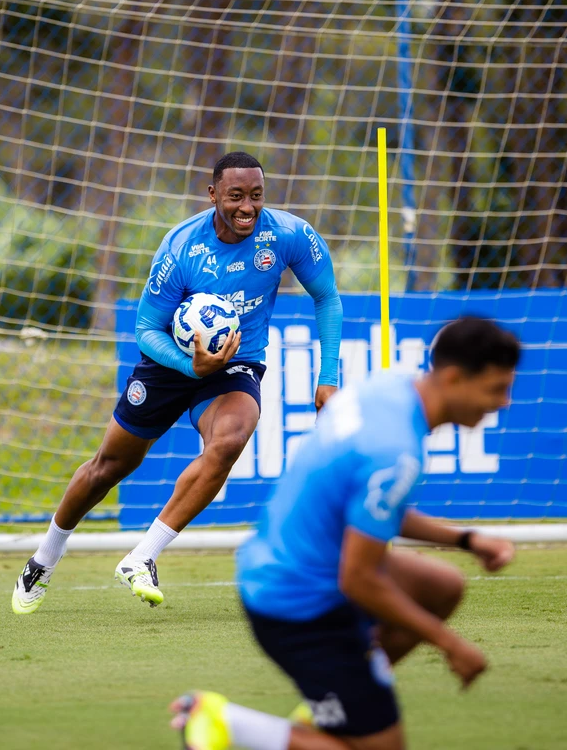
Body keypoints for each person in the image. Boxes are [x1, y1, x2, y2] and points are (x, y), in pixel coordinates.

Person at [13, 152, 343, 613]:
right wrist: (191, 367)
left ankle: (142, 557)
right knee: (107, 468)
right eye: (235, 197)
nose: (247, 207)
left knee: (229, 440)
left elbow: (327, 296)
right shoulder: (181, 248)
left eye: (256, 196)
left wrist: (328, 377)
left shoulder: (288, 234)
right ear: (212, 195)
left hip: (235, 363)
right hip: (169, 363)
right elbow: (146, 328)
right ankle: (44, 558)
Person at [171, 316, 519, 750]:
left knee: (441, 586)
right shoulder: (395, 451)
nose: (503, 402)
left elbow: (373, 504)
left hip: (289, 564)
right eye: (495, 389)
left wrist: (465, 540)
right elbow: (358, 579)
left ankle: (332, 706)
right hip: (297, 603)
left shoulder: (390, 391)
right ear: (453, 378)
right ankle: (223, 720)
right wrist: (450, 644)